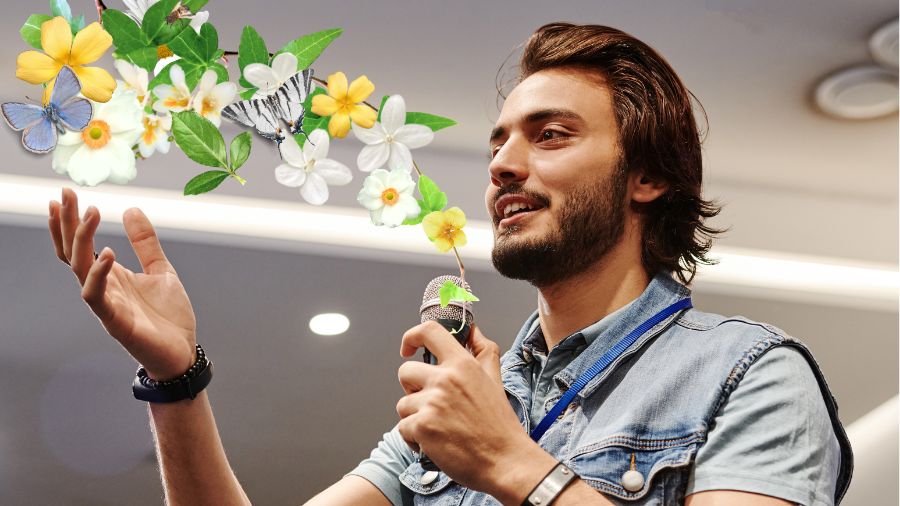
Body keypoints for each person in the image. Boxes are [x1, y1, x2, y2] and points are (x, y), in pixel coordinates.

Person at [47, 22, 852, 506]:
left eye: (552, 134)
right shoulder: (466, 404)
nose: (502, 162)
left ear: (648, 177)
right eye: (500, 139)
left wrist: (510, 463)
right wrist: (176, 381)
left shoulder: (749, 374)